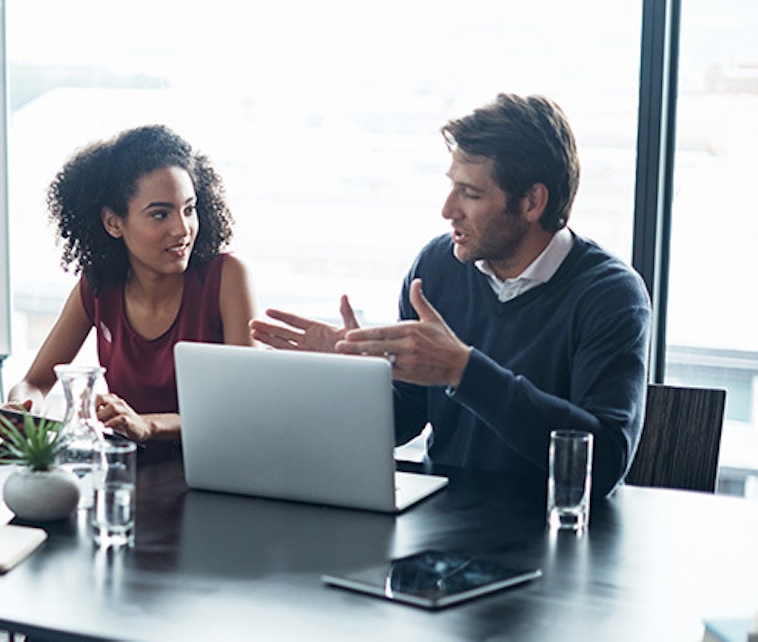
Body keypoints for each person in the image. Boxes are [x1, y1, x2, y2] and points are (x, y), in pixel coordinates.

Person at [251, 94, 650, 499]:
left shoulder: (610, 294)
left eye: (470, 193)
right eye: (451, 186)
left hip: (552, 535)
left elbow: (604, 465)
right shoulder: (438, 265)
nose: (447, 209)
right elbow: (406, 415)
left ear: (532, 202)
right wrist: (347, 378)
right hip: (443, 528)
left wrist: (463, 371)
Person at [2, 125, 256, 442]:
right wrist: (20, 406)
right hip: (131, 472)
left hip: (215, 472)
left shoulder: (226, 276)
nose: (182, 229)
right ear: (113, 222)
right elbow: (36, 383)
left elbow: (244, 409)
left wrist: (147, 425)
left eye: (189, 209)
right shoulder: (98, 287)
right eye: (160, 215)